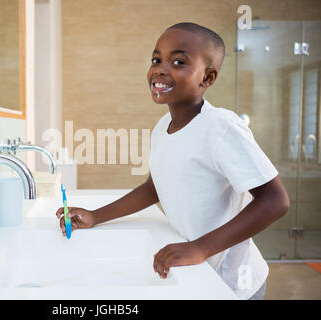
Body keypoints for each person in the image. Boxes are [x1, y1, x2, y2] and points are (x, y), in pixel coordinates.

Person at [56, 22, 290, 300]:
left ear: (208, 78)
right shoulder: (163, 126)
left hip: (233, 282)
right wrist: (96, 216)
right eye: (157, 59)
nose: (161, 68)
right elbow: (154, 188)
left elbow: (275, 201)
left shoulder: (220, 126)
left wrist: (200, 248)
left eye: (178, 61)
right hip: (198, 272)